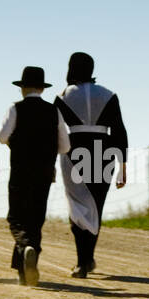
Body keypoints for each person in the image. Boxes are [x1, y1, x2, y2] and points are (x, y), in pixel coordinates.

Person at [53, 52, 128, 278]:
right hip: (103, 151)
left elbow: (55, 131)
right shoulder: (109, 95)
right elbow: (119, 132)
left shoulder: (62, 96)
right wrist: (123, 166)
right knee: (96, 204)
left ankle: (81, 261)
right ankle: (88, 257)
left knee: (77, 206)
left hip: (74, 152)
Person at [0, 66, 70, 287]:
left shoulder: (15, 108)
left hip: (20, 171)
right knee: (36, 218)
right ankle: (25, 269)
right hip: (45, 172)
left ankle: (25, 247)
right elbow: (65, 146)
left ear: (23, 88)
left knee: (17, 217)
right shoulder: (53, 111)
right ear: (41, 88)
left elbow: (2, 137)